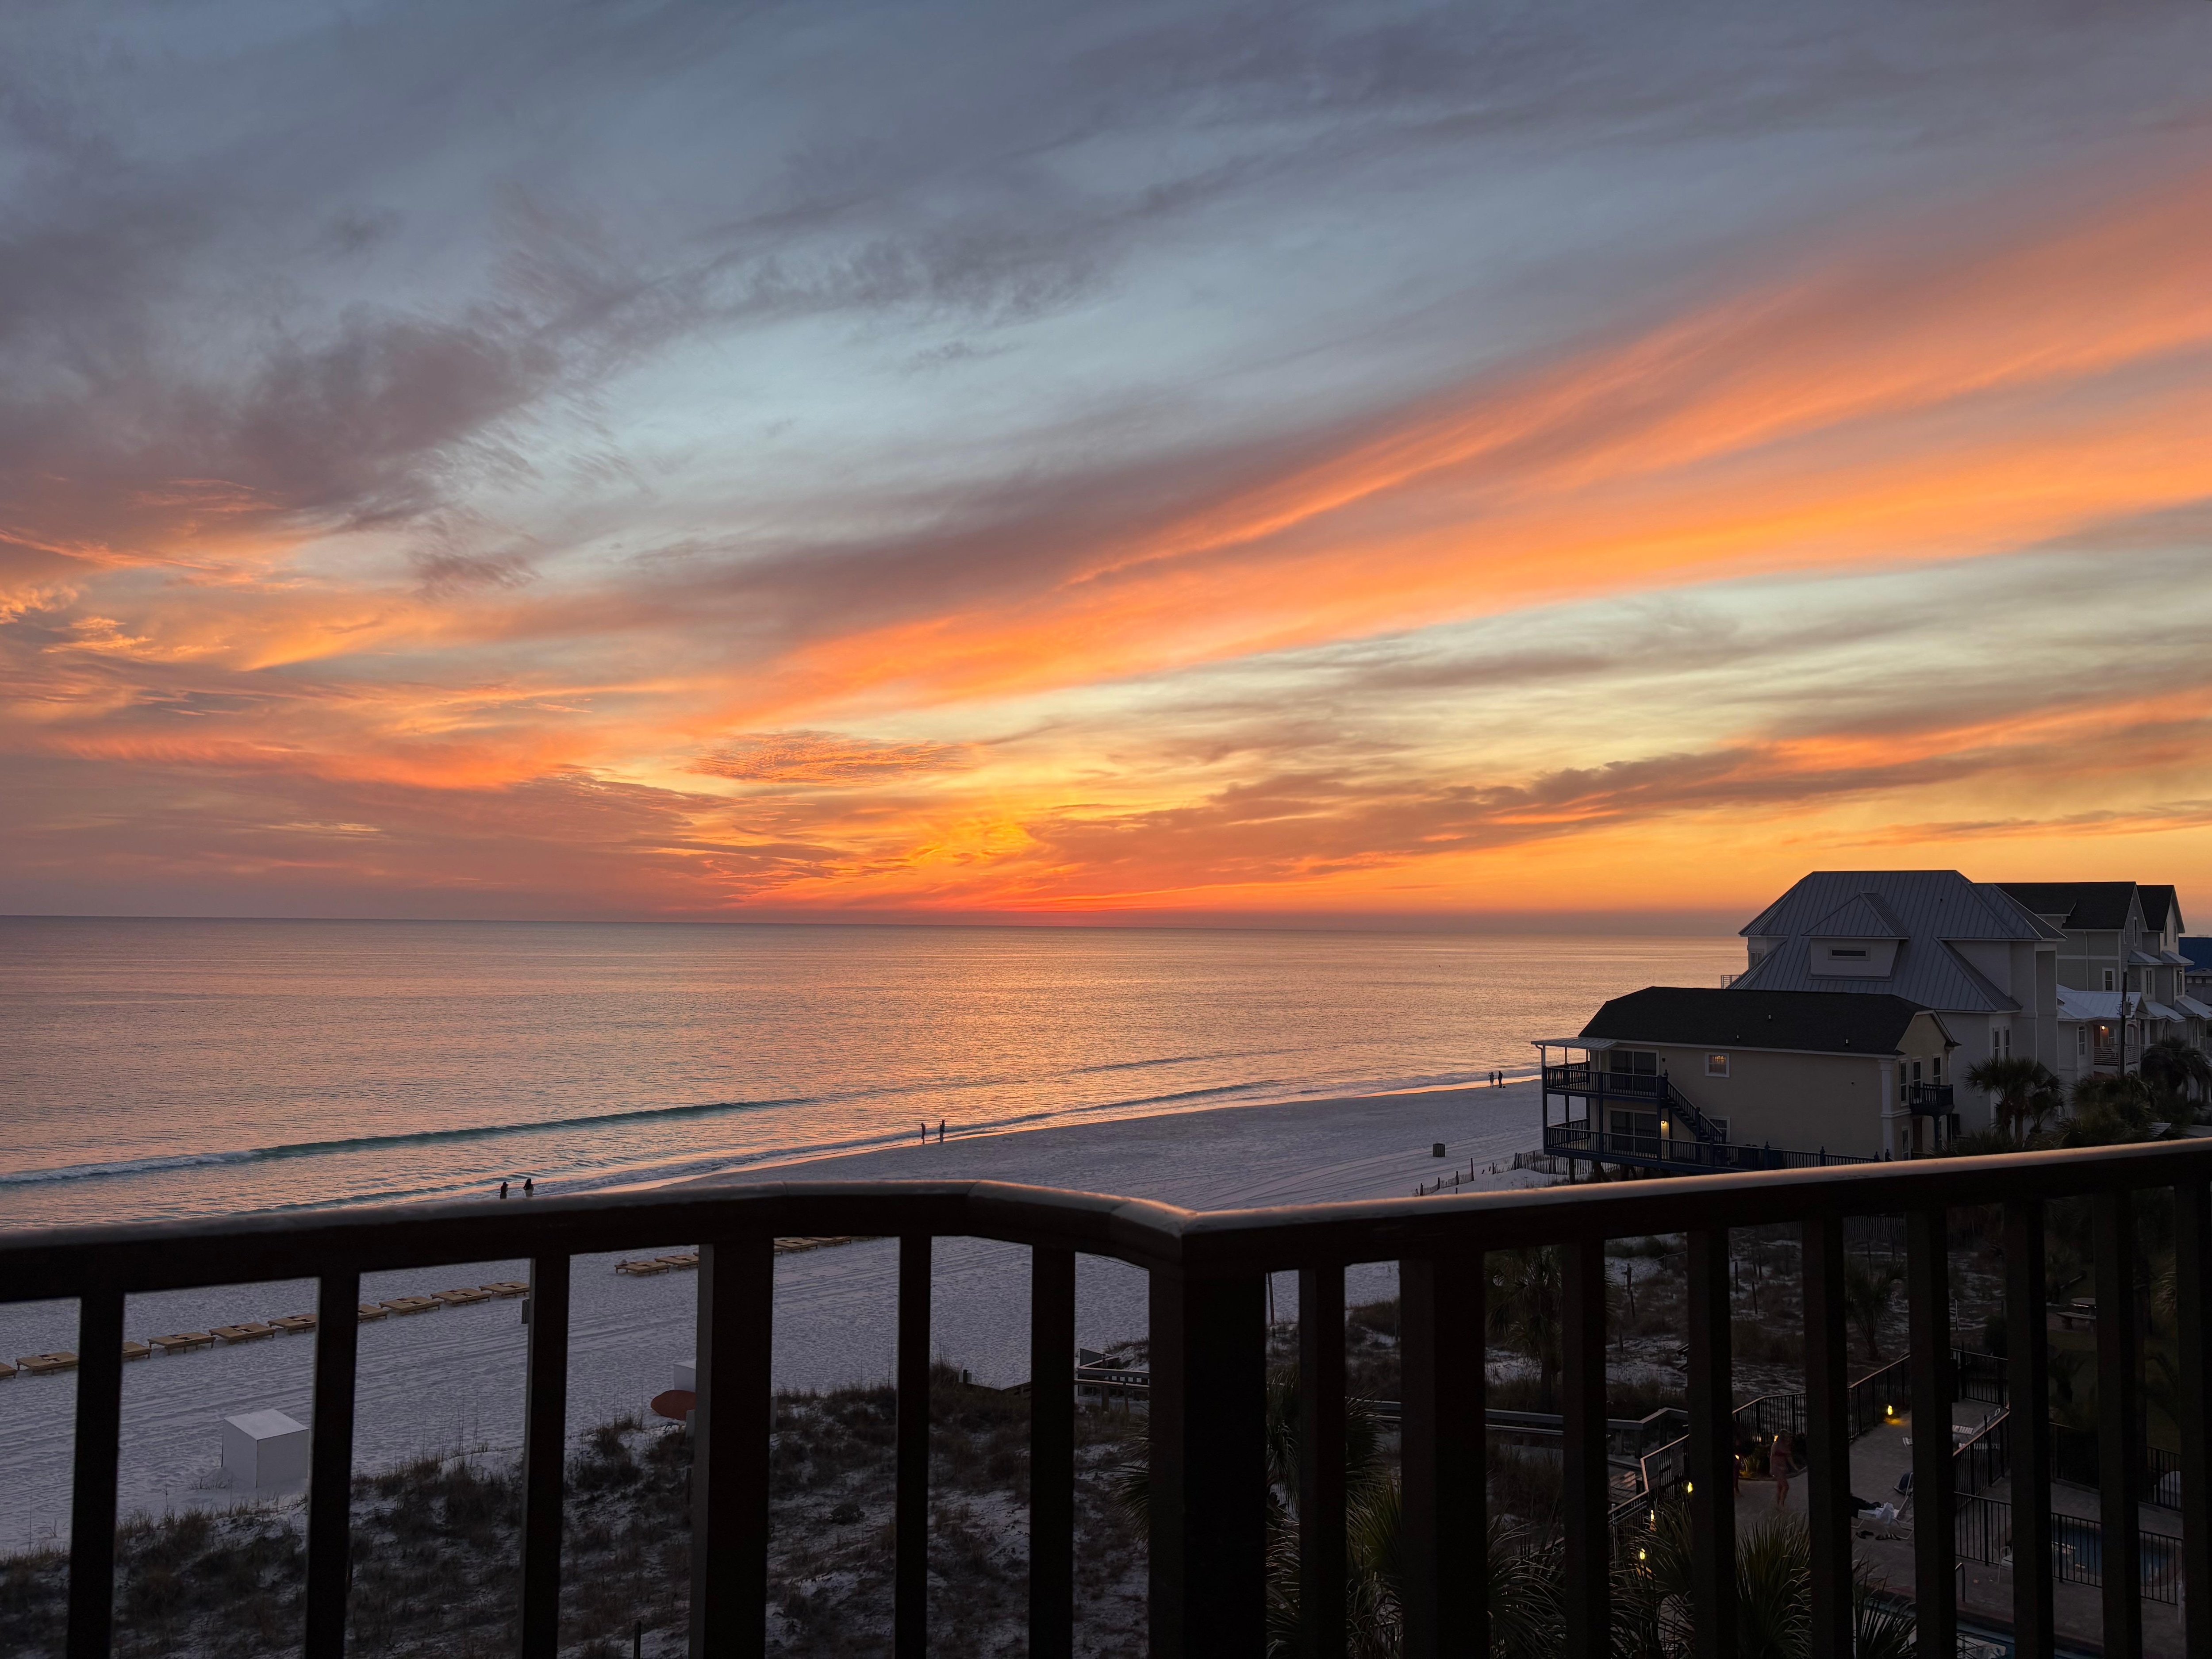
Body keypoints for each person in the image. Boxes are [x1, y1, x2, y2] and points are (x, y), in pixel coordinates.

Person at [1773, 1432, 1793, 1508]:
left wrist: (1794, 1467)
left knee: (1780, 1486)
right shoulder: (1776, 1446)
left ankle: (1778, 1504)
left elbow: (1788, 1457)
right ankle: (1781, 1504)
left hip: (1783, 1468)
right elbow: (1772, 1457)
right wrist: (1772, 1468)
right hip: (1778, 1468)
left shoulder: (1785, 1446)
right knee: (1785, 1486)